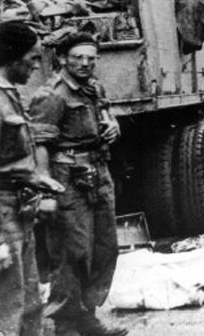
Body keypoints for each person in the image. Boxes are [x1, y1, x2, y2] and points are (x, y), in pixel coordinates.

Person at [28, 32, 126, 336]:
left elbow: (107, 113)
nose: (85, 63)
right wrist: (47, 192)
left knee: (105, 247)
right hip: (67, 178)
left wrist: (113, 124)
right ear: (62, 59)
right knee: (72, 253)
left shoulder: (94, 87)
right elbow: (40, 144)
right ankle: (66, 324)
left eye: (91, 58)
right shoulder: (52, 95)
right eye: (78, 57)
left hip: (98, 172)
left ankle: (88, 316)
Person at [0, 20, 64, 336]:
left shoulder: (10, 94)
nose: (37, 65)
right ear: (12, 56)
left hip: (19, 209)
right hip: (2, 216)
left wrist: (36, 178)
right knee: (7, 311)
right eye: (33, 57)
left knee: (30, 304)